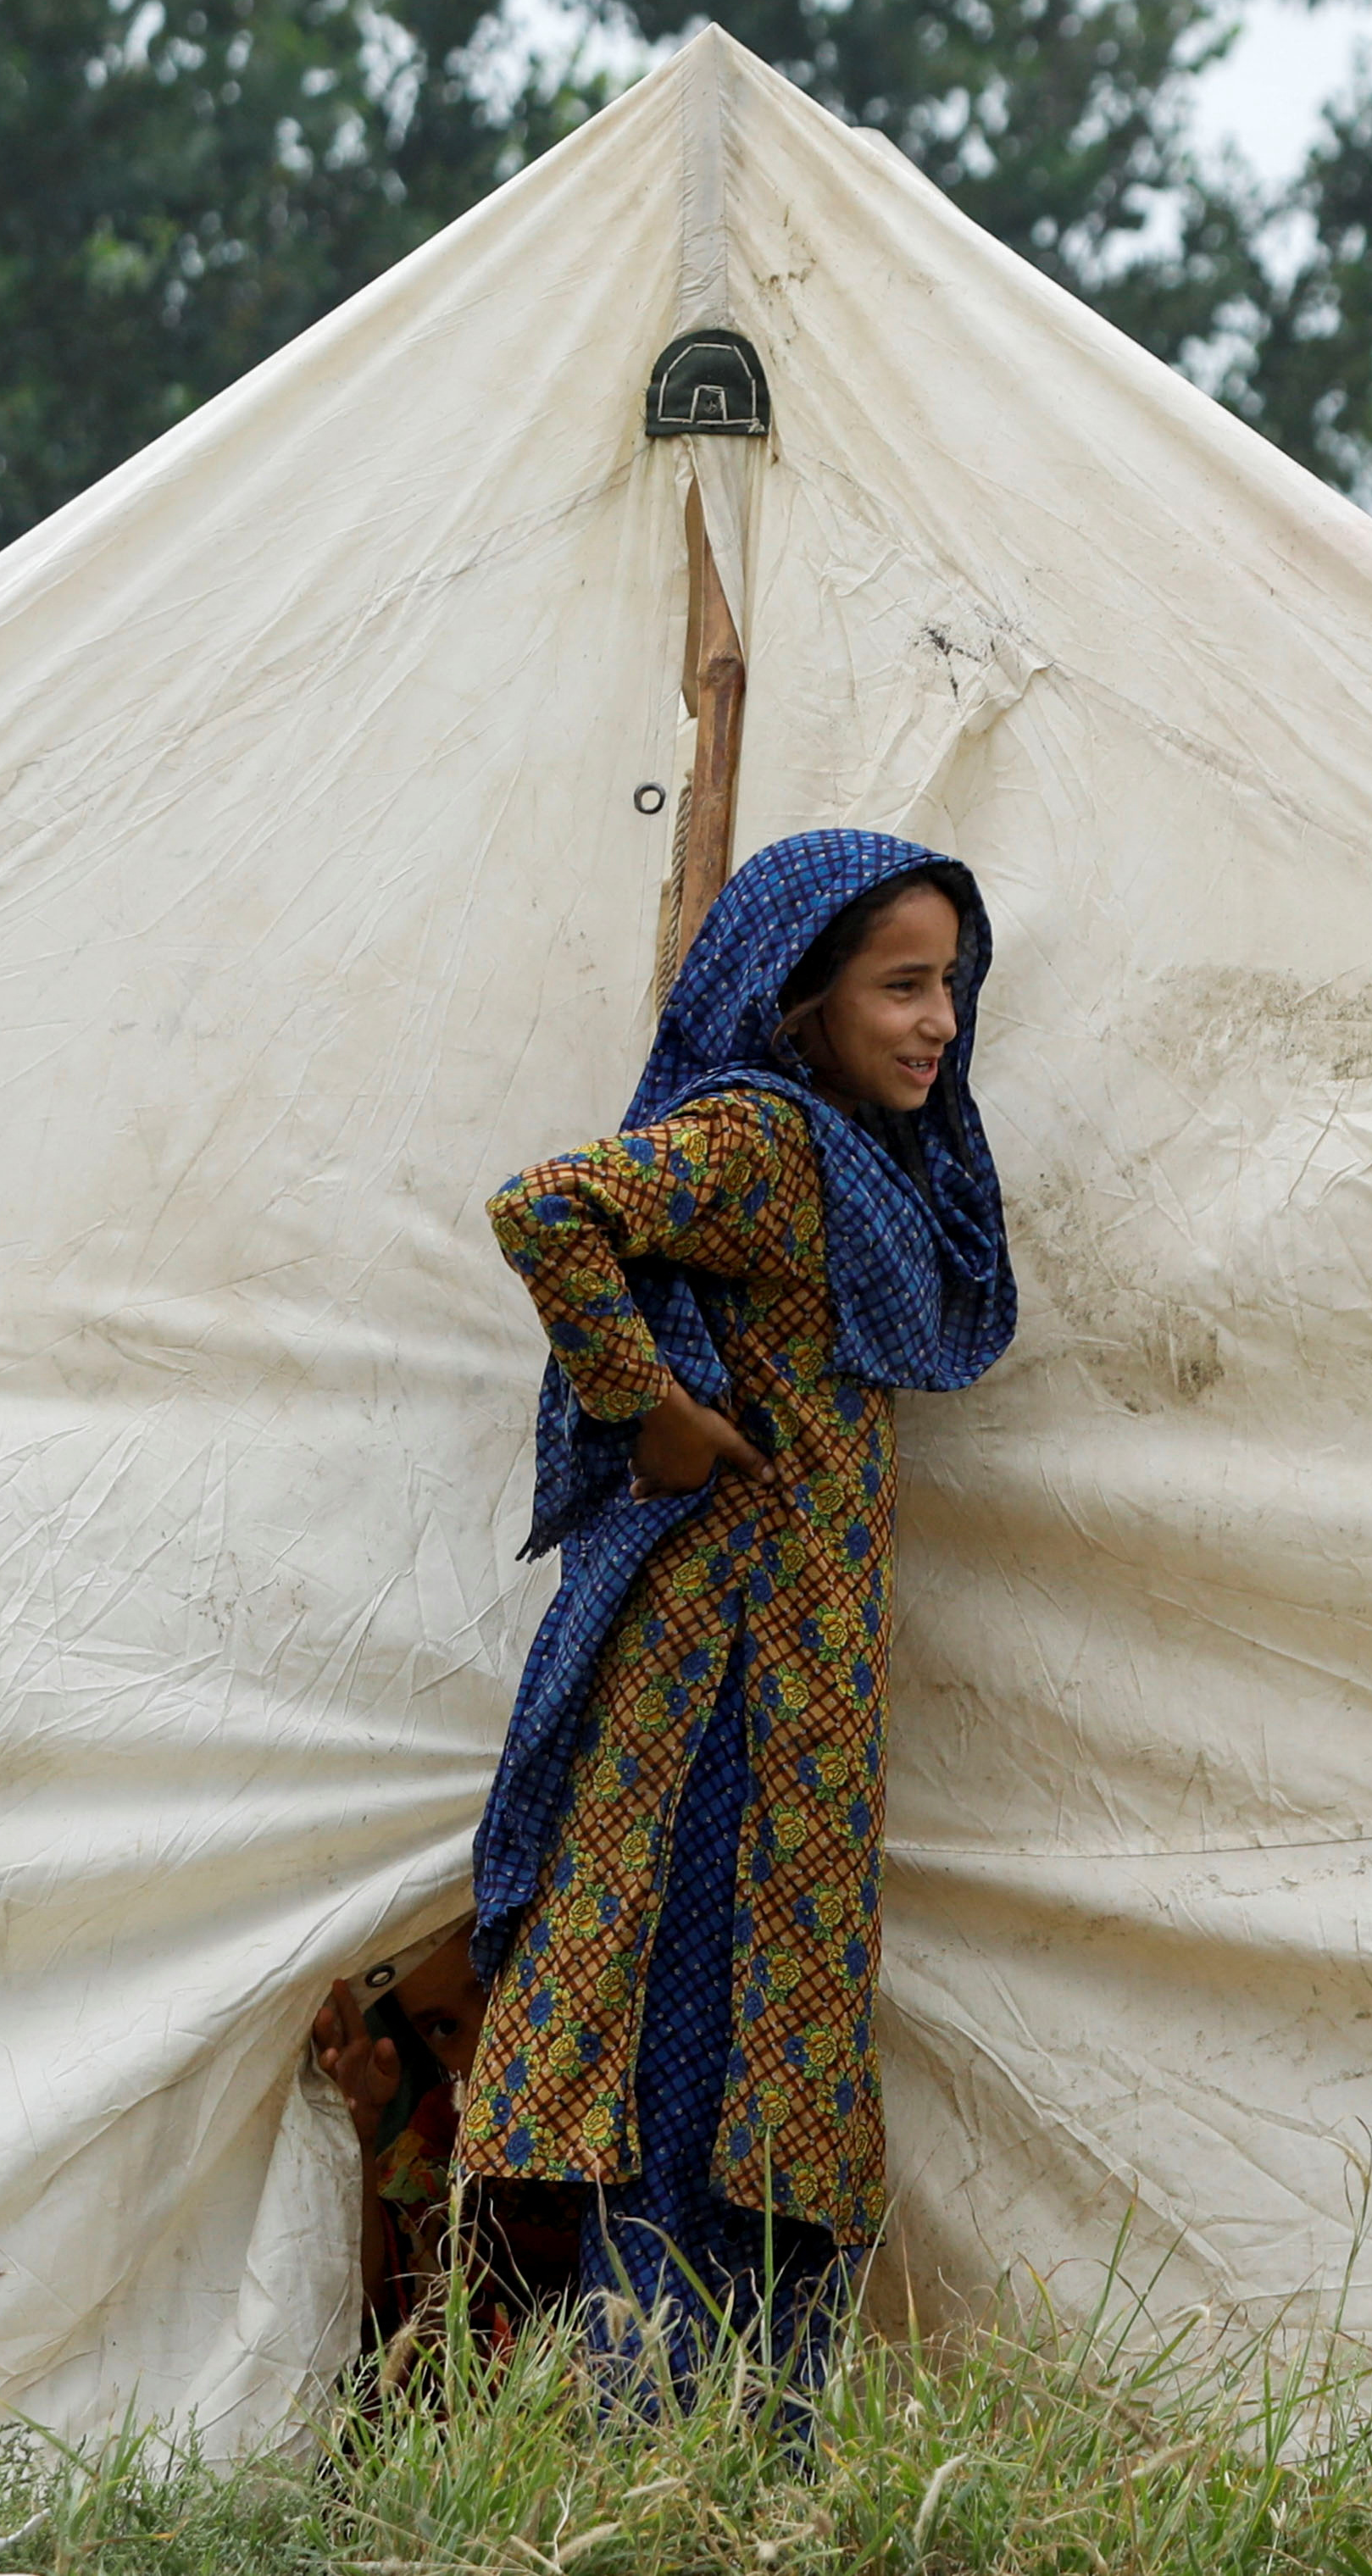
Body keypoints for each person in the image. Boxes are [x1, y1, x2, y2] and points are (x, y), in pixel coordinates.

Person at [450, 830, 1015, 2397]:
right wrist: (653, 1410)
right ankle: (659, 2426)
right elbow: (546, 1208)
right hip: (720, 1693)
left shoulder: (856, 1167)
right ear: (801, 997)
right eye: (901, 987)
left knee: (772, 2067)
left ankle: (754, 2445)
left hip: (800, 1694)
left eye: (951, 987)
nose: (938, 1024)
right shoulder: (767, 1149)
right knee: (692, 2065)